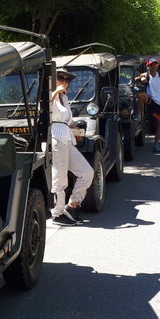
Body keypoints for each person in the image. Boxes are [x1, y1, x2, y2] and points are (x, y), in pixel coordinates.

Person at [49, 68, 94, 226]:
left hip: (67, 138)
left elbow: (67, 120)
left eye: (67, 80)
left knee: (87, 172)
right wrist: (55, 91)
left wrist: (76, 126)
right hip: (55, 137)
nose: (65, 82)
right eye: (61, 78)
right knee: (60, 178)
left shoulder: (64, 98)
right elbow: (43, 110)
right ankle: (57, 213)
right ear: (53, 79)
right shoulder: (49, 94)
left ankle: (72, 205)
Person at [135, 58, 160, 153]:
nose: (153, 67)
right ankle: (138, 115)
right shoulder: (145, 75)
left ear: (157, 66)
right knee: (141, 96)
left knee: (158, 124)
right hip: (149, 100)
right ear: (147, 66)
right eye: (151, 65)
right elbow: (135, 78)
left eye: (155, 65)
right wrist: (141, 79)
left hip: (159, 102)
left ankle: (156, 144)